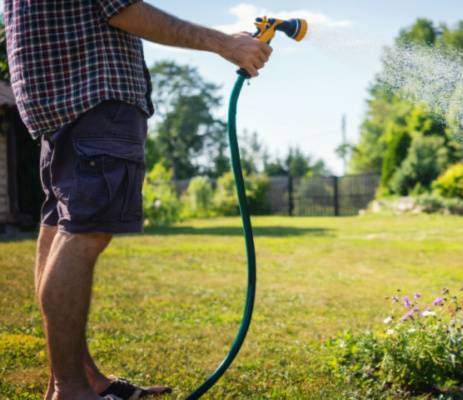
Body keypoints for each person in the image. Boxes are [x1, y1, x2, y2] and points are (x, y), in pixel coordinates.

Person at [3, 1, 272, 399]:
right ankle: (71, 390)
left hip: (55, 100)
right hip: (94, 95)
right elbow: (120, 8)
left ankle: (77, 378)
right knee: (84, 233)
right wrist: (224, 43)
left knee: (61, 226)